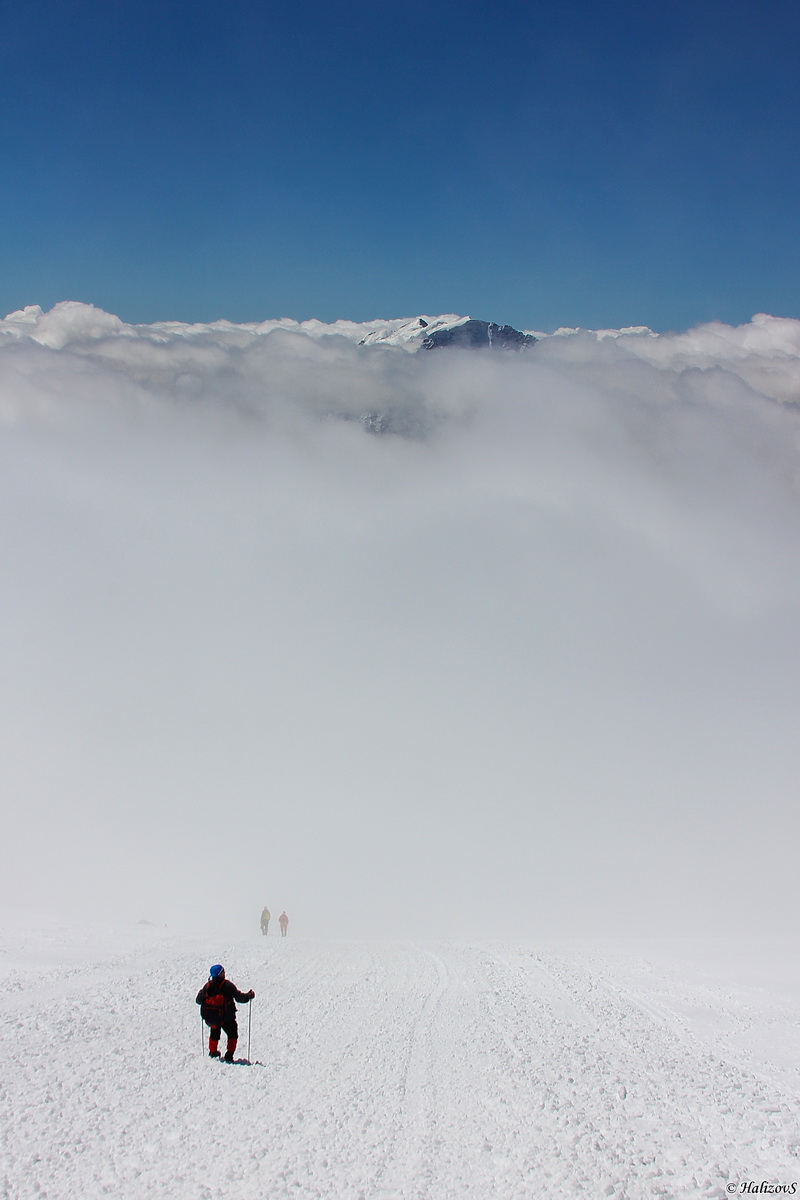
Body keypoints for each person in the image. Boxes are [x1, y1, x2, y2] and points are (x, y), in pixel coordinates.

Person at [196, 964, 255, 1062]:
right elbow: (239, 997)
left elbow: (198, 1000)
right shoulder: (227, 985)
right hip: (227, 1018)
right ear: (220, 974)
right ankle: (229, 1055)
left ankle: (213, 1052)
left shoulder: (208, 985)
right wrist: (249, 996)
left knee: (214, 1033)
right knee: (232, 1034)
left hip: (211, 1018)